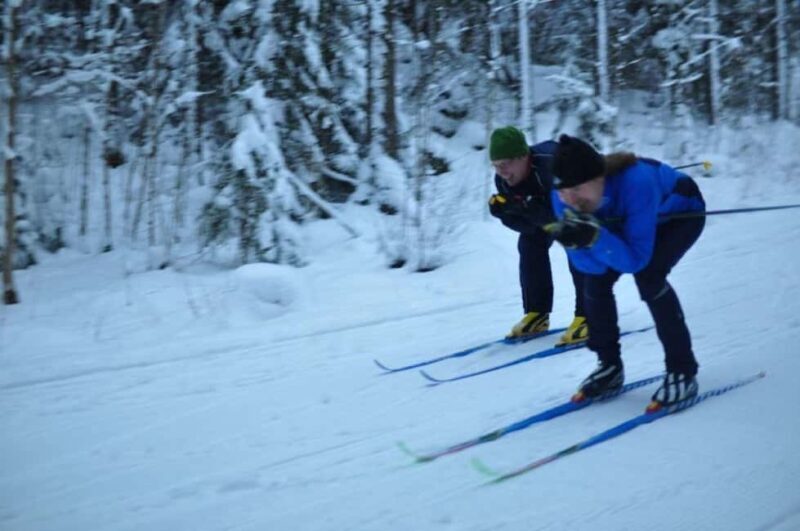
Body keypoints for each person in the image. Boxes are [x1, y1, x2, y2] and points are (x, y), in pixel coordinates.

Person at [546, 134, 706, 408]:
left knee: (650, 277)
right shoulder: (562, 198)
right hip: (625, 221)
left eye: (577, 189)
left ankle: (683, 370)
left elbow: (636, 260)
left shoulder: (636, 183)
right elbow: (588, 267)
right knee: (594, 283)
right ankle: (609, 366)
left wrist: (595, 238)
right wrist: (584, 241)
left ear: (599, 178)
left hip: (680, 215)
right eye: (563, 191)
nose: (570, 200)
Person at [487, 126, 587, 346]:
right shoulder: (504, 180)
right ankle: (537, 313)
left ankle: (590, 314)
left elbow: (566, 221)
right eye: (496, 165)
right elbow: (530, 227)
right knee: (529, 244)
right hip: (554, 210)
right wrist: (507, 214)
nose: (502, 171)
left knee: (576, 244)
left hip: (592, 197)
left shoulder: (552, 166)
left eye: (505, 164)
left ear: (524, 156)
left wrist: (527, 208)